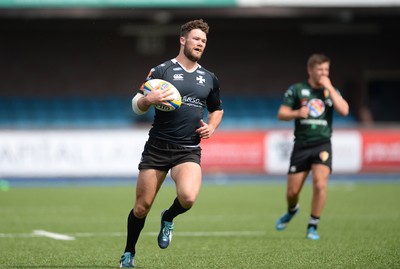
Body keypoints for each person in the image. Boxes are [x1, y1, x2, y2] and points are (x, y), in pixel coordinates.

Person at [119, 19, 224, 268]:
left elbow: (217, 109)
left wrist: (212, 126)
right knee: (141, 207)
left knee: (188, 197)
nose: (200, 44)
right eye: (196, 39)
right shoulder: (161, 71)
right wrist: (149, 99)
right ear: (183, 40)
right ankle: (129, 252)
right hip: (157, 147)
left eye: (204, 41)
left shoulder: (209, 78)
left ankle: (168, 217)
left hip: (187, 149)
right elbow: (136, 105)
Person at [275, 53, 349, 240]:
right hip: (301, 145)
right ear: (310, 70)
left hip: (322, 144)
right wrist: (297, 112)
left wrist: (330, 87)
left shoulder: (330, 91)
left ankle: (312, 226)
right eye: (320, 69)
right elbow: (282, 114)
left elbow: (344, 111)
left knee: (319, 184)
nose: (324, 73)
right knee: (292, 192)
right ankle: (292, 210)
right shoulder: (297, 89)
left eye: (326, 69)